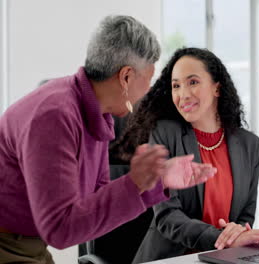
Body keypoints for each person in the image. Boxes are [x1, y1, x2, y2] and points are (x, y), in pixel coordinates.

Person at [0, 15, 216, 263]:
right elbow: (60, 229)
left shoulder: (96, 113)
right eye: (148, 79)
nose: (148, 91)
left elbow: (96, 202)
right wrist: (136, 183)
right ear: (126, 77)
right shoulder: (55, 116)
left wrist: (154, 182)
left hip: (30, 244)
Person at [113, 47, 259, 262]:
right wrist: (221, 239)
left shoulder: (249, 145)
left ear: (216, 88)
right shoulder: (163, 134)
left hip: (221, 259)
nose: (183, 94)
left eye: (193, 82)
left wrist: (236, 232)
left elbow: (245, 216)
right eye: (176, 86)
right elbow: (167, 217)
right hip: (170, 259)